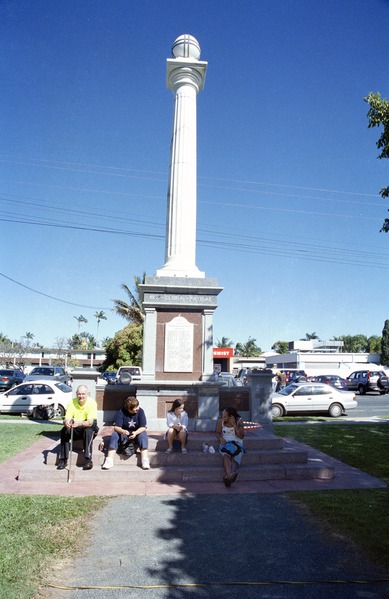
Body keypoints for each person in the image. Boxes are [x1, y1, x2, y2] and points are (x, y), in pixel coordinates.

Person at [57, 385, 98, 471]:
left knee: (88, 431)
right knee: (64, 431)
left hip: (88, 425)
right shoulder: (72, 402)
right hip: (76, 426)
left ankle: (88, 460)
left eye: (83, 394)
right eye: (79, 394)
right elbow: (66, 418)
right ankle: (63, 460)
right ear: (76, 394)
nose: (81, 396)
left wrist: (79, 423)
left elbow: (90, 422)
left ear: (87, 394)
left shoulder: (92, 403)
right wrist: (66, 423)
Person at [102, 396, 150, 470]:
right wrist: (123, 431)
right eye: (135, 410)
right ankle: (109, 460)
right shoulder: (121, 412)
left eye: (137, 408)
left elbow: (143, 427)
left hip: (136, 434)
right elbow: (116, 427)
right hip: (124, 434)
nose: (137, 410)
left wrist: (136, 433)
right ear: (128, 409)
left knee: (143, 435)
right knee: (115, 434)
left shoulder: (140, 411)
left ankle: (145, 460)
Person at [216, 407, 245, 487]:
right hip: (226, 443)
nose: (223, 417)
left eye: (225, 416)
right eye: (222, 415)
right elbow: (217, 433)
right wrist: (220, 438)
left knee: (234, 456)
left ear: (231, 417)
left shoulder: (239, 420)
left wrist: (235, 426)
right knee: (226, 455)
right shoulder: (221, 421)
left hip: (237, 443)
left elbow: (241, 436)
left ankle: (228, 476)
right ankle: (230, 475)